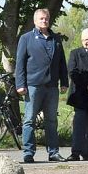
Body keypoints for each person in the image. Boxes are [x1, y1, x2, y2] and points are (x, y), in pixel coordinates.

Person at [15, 8, 68, 164]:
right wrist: (20, 84)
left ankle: (53, 152)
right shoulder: (26, 38)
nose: (44, 21)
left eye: (46, 18)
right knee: (29, 120)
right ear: (35, 20)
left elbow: (61, 63)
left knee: (51, 120)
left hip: (52, 86)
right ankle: (28, 153)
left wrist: (64, 82)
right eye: (41, 19)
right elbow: (20, 63)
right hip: (33, 85)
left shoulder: (55, 39)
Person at [66, 28, 88, 161]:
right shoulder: (75, 53)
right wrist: (87, 85)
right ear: (82, 40)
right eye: (86, 39)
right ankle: (75, 152)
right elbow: (72, 72)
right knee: (79, 125)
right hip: (80, 93)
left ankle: (87, 151)